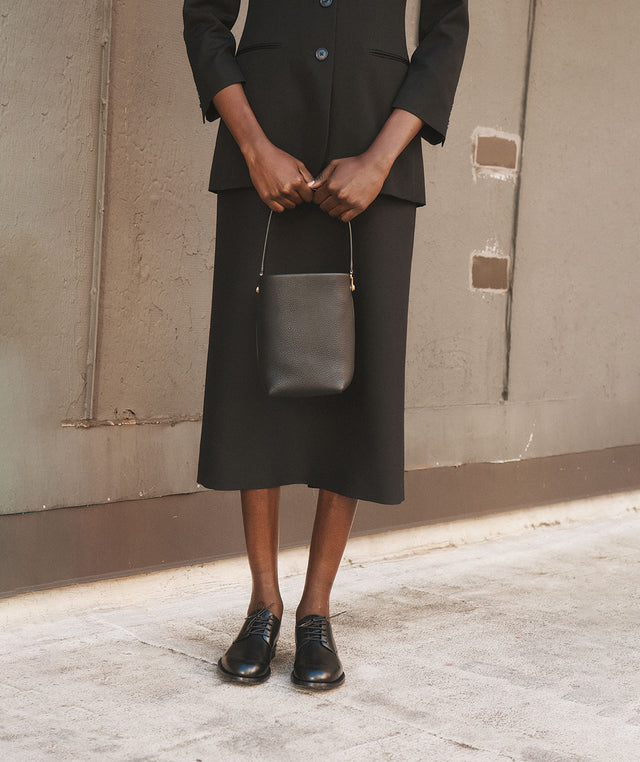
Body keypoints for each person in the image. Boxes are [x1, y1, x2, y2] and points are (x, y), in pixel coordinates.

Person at [183, 0, 469, 690]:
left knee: (356, 374)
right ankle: (262, 605)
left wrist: (379, 159)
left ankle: (316, 610)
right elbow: (205, 20)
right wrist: (253, 144)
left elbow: (445, 32)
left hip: (377, 160)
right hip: (263, 159)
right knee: (256, 373)